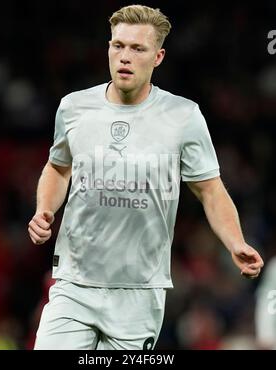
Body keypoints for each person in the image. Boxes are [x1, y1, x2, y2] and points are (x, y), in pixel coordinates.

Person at [28, 4, 264, 350]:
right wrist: (43, 210)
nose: (124, 56)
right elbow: (59, 166)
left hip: (139, 294)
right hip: (73, 284)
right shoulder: (74, 107)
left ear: (158, 56)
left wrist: (236, 242)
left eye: (137, 48)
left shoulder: (184, 116)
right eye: (117, 45)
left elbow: (210, 190)